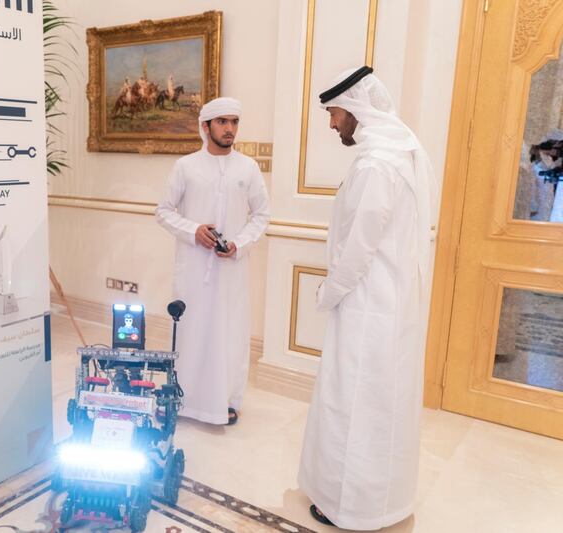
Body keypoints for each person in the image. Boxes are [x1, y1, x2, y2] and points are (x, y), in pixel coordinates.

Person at [297, 66, 438, 530]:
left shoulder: (377, 164)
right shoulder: (403, 152)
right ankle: (383, 501)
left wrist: (327, 292)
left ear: (355, 109)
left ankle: (348, 507)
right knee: (383, 403)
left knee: (353, 403)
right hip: (391, 303)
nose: (332, 124)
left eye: (334, 113)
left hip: (365, 302)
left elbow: (359, 246)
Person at [155, 97, 270, 426]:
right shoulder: (186, 166)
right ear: (205, 127)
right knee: (192, 330)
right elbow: (163, 211)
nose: (230, 128)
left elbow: (262, 215)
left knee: (229, 333)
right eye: (222, 122)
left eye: (234, 122)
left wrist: (238, 244)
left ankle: (226, 402)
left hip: (231, 269)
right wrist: (194, 231)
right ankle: (185, 398)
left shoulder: (247, 168)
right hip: (193, 268)